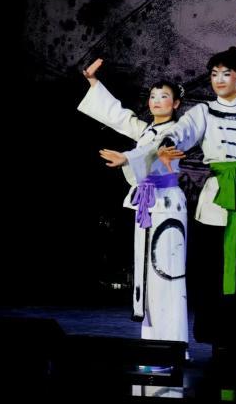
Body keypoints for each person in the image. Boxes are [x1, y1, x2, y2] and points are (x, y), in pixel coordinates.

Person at [120, 10, 236, 360]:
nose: (218, 80)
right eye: (214, 74)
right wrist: (162, 146)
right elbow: (180, 132)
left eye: (226, 74)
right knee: (213, 275)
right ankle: (216, 341)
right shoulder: (203, 112)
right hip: (215, 205)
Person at [77, 59, 189, 345]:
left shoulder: (177, 131)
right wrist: (93, 82)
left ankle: (173, 344)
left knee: (167, 274)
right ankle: (153, 341)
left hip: (168, 205)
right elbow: (119, 116)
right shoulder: (146, 129)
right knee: (148, 274)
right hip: (149, 204)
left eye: (164, 96)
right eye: (153, 96)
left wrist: (127, 158)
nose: (156, 101)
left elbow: (154, 149)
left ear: (176, 103)